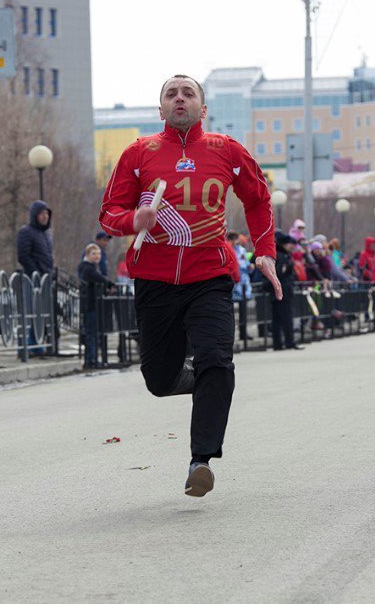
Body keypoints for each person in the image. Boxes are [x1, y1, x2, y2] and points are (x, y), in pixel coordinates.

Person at [99, 74, 281, 498]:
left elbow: (258, 199)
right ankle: (203, 381)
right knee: (160, 380)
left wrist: (265, 251)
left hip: (209, 277)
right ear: (160, 109)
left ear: (203, 107)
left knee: (217, 358)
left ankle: (201, 460)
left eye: (189, 93)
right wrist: (133, 221)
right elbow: (109, 213)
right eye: (171, 94)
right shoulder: (138, 153)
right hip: (154, 280)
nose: (180, 99)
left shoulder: (227, 150)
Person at [17, 200, 54, 356]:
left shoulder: (45, 233)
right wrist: (36, 272)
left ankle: (38, 343)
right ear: (35, 215)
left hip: (45, 278)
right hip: (33, 278)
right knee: (33, 312)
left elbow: (47, 256)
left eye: (46, 214)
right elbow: (23, 256)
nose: (45, 217)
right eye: (41, 214)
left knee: (41, 312)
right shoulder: (26, 231)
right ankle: (30, 345)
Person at [77, 242, 116, 367]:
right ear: (88, 254)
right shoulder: (87, 267)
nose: (97, 256)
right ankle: (91, 360)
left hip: (92, 305)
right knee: (91, 334)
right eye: (94, 253)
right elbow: (98, 277)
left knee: (93, 333)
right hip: (90, 305)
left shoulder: (91, 267)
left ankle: (92, 359)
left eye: (99, 253)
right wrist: (109, 283)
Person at [271, 232, 300, 351]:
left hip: (280, 289)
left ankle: (278, 343)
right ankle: (289, 341)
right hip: (283, 289)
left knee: (277, 318)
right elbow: (280, 273)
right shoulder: (282, 256)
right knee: (285, 317)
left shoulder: (281, 254)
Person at [228, 231, 253, 342]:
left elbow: (245, 264)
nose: (235, 242)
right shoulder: (227, 249)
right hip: (232, 284)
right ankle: (231, 335)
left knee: (243, 310)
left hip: (243, 284)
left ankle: (243, 333)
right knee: (230, 313)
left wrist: (250, 267)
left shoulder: (241, 250)